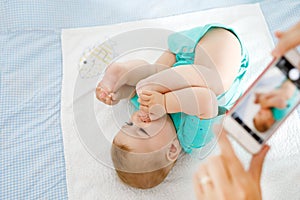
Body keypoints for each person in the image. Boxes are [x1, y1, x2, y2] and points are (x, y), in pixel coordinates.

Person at [96, 23, 249, 189]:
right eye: (142, 130)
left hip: (181, 51)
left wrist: (119, 93)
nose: (138, 119)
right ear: (172, 149)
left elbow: (133, 92)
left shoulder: (147, 105)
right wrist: (165, 102)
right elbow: (207, 100)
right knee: (217, 83)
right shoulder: (191, 139)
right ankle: (154, 80)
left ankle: (121, 72)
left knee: (149, 76)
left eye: (129, 124)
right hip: (220, 51)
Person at [194, 21, 300, 199]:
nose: (261, 111)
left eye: (258, 114)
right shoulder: (278, 108)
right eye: (263, 116)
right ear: (269, 120)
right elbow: (282, 98)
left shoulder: (265, 101)